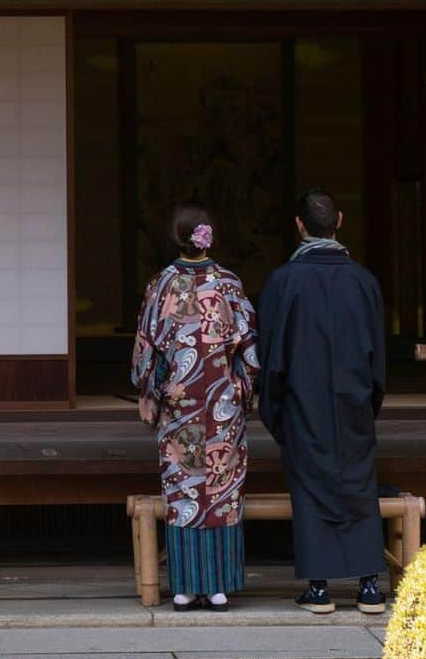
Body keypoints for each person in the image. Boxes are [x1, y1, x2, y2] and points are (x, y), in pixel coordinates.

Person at [258, 190, 387, 615]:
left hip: (301, 399)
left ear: (299, 225)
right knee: (358, 483)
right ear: (340, 221)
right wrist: (370, 400)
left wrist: (274, 409)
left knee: (310, 487)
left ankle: (318, 589)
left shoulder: (283, 282)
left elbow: (271, 352)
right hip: (354, 397)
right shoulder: (363, 281)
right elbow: (378, 355)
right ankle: (369, 586)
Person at [132, 202, 260, 612]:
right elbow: (249, 347)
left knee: (184, 489)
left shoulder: (161, 284)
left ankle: (185, 587)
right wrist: (245, 387)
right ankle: (220, 586)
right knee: (221, 489)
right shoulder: (228, 283)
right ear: (208, 237)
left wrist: (149, 391)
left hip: (178, 403)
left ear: (176, 237)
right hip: (222, 401)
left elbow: (146, 350)